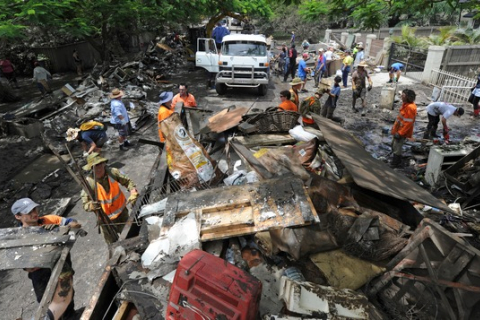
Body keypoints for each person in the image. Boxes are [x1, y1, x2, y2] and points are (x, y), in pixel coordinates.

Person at [11, 198, 81, 320]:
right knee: (45, 300)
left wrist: (71, 225)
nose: (34, 213)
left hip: (61, 265)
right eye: (29, 212)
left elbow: (70, 221)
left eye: (34, 209)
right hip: (39, 273)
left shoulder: (49, 220)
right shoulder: (18, 236)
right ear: (18, 216)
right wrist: (29, 265)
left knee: (67, 292)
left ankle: (71, 316)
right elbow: (20, 260)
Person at [81, 153, 138, 244]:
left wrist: (133, 192)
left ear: (103, 164)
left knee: (132, 236)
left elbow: (128, 181)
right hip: (106, 220)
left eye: (100, 165)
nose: (99, 168)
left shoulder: (113, 172)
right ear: (91, 168)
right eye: (95, 166)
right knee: (113, 245)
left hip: (122, 213)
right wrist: (91, 206)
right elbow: (85, 204)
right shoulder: (89, 183)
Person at [390, 89, 417, 167]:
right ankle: (397, 159)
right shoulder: (405, 105)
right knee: (394, 145)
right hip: (398, 129)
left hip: (402, 132)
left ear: (408, 97)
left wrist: (400, 133)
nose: (401, 96)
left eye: (403, 95)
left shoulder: (410, 108)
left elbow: (408, 123)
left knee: (397, 147)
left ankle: (395, 163)